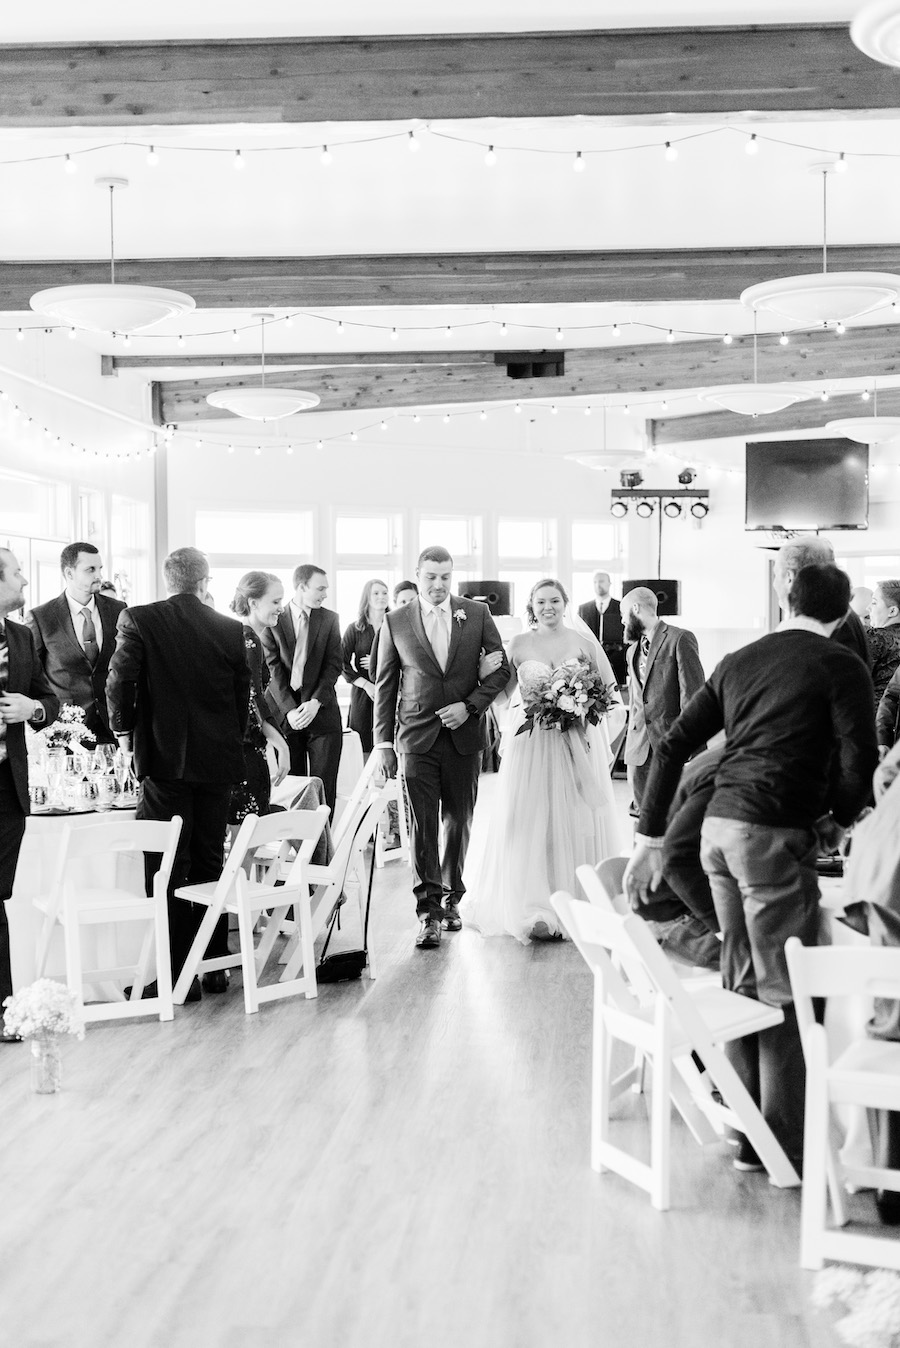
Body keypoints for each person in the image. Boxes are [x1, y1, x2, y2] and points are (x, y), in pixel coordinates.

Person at [624, 563, 877, 1173]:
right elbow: (859, 758)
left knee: (745, 983)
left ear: (783, 597)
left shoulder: (740, 658)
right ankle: (785, 1150)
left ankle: (748, 1140)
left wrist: (650, 836)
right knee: (787, 989)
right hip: (769, 837)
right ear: (843, 615)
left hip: (716, 831)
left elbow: (670, 743)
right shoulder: (842, 665)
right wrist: (841, 819)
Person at [106, 546, 250, 999]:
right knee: (211, 860)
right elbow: (242, 693)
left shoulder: (140, 619)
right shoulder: (231, 629)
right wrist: (228, 739)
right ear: (205, 580)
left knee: (167, 865)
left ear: (168, 579)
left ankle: (174, 977)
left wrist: (123, 731)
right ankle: (211, 967)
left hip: (165, 761)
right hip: (218, 761)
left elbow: (119, 680)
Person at [463, 578, 624, 943]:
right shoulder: (518, 644)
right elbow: (504, 698)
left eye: (554, 600)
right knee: (531, 818)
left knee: (572, 818)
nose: (547, 607)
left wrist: (582, 707)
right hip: (531, 744)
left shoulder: (582, 643)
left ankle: (578, 900)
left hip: (572, 743)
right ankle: (535, 903)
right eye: (540, 601)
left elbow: (609, 694)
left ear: (565, 603)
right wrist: (485, 673)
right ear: (531, 606)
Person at [374, 546, 509, 950]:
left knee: (459, 820)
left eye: (445, 577)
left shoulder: (477, 614)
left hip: (464, 736)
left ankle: (453, 900)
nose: (438, 585)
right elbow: (385, 685)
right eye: (430, 577)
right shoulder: (395, 621)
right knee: (422, 826)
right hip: (416, 739)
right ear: (417, 575)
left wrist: (469, 707)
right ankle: (429, 913)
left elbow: (502, 669)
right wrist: (382, 742)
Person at [0, 549, 58, 1040]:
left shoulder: (20, 635)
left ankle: (3, 1015)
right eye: (17, 572)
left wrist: (32, 708)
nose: (24, 579)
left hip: (6, 790)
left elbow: (51, 699)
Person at [631, 746, 723, 971]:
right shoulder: (727, 774)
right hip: (672, 914)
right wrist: (725, 930)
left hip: (672, 901)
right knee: (775, 958)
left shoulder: (723, 754)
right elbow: (677, 859)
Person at [25, 541, 125, 745]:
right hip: (66, 731)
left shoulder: (118, 610)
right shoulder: (42, 617)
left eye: (100, 569)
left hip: (112, 726)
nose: (99, 575)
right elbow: (33, 676)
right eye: (90, 570)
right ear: (69, 574)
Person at [262, 564, 342, 813]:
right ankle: (295, 847)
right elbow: (272, 670)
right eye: (320, 588)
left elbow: (333, 665)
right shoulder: (273, 619)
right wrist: (290, 711)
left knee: (323, 789)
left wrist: (315, 702)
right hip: (286, 716)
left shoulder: (330, 619)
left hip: (322, 714)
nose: (325, 594)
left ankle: (321, 849)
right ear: (301, 587)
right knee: (292, 788)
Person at [622, 586, 705, 813]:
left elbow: (693, 694)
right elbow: (637, 701)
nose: (622, 622)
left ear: (635, 609)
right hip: (638, 748)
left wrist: (690, 743)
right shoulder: (632, 651)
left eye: (623, 614)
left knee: (674, 812)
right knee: (642, 813)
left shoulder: (680, 639)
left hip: (671, 741)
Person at [229, 571, 291, 823]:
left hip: (239, 746)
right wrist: (282, 745)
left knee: (242, 831)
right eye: (275, 602)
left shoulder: (242, 636)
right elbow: (253, 699)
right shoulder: (249, 640)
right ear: (253, 603)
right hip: (247, 749)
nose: (282, 609)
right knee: (248, 833)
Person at [341, 578, 390, 756]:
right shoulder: (354, 629)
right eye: (376, 593)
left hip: (391, 689)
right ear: (366, 598)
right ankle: (367, 783)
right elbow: (341, 662)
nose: (381, 597)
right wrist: (366, 685)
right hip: (363, 692)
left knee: (389, 740)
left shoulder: (395, 625)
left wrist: (377, 662)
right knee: (363, 743)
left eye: (385, 593)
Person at [578, 569, 626, 685]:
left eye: (601, 581)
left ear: (609, 583)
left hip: (617, 662)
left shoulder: (621, 606)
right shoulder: (583, 609)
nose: (598, 585)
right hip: (591, 662)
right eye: (595, 582)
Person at [867, 580, 900, 709]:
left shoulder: (877, 638)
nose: (868, 608)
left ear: (892, 611)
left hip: (875, 717)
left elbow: (853, 680)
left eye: (874, 603)